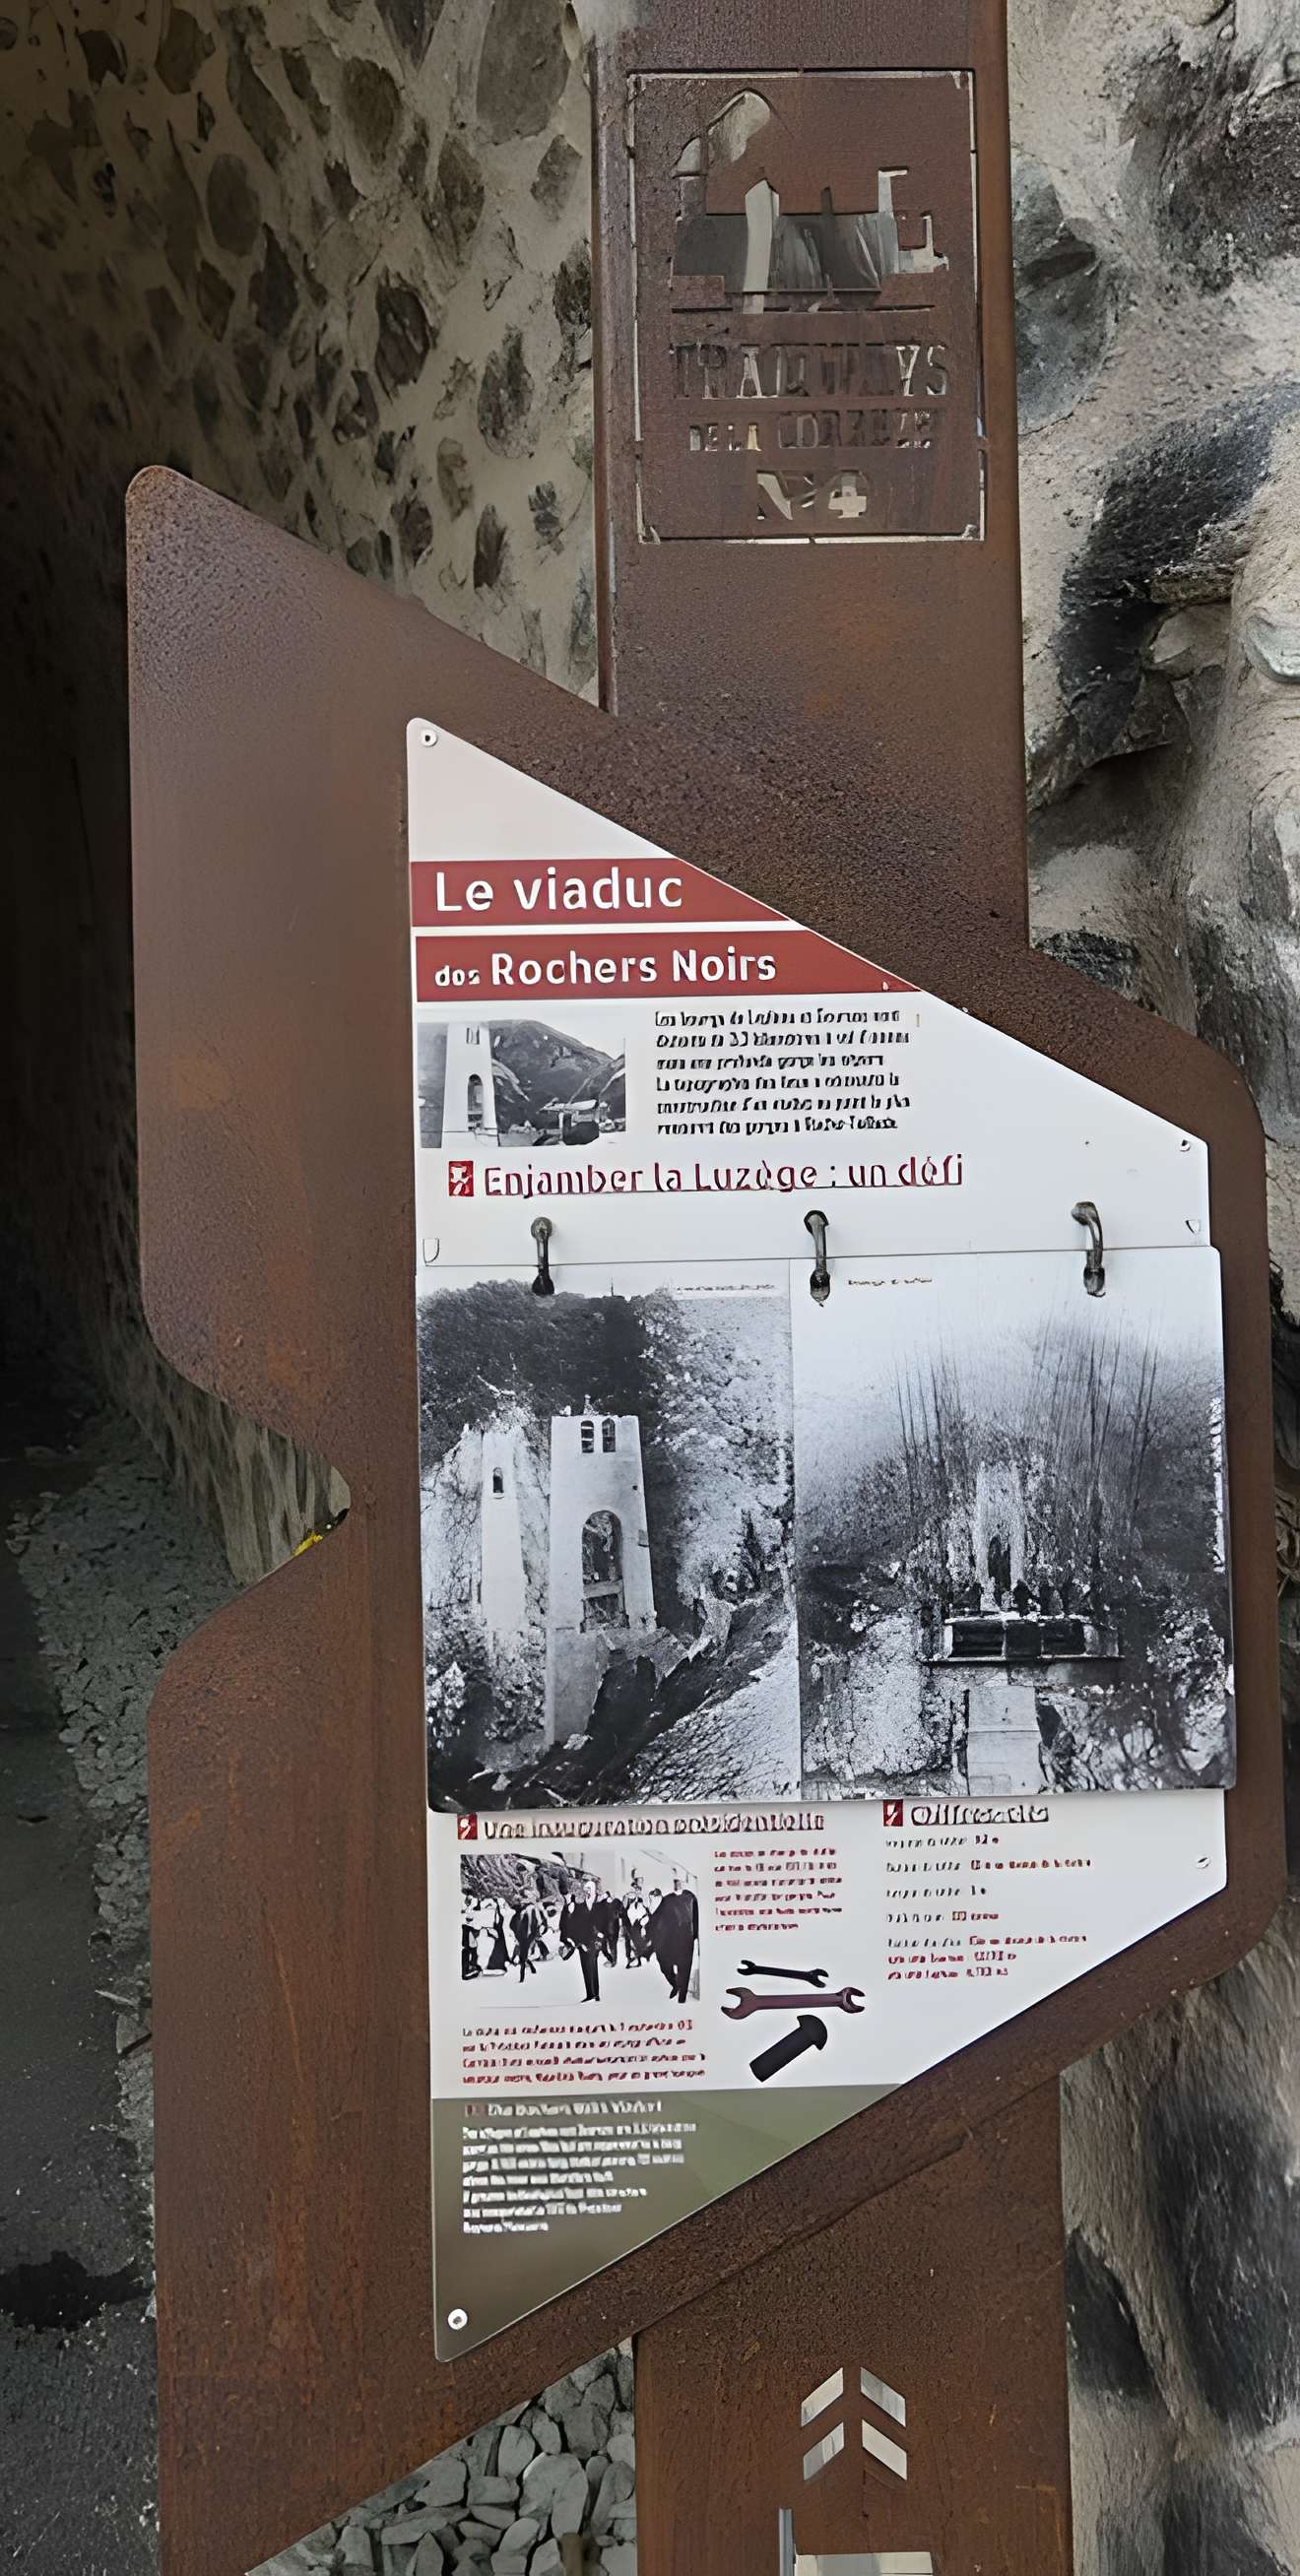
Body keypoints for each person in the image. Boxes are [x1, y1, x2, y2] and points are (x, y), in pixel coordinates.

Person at [649, 1869, 699, 2005]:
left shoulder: (691, 1897)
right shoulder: (667, 1899)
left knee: (685, 1968)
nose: (678, 1884)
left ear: (684, 1882)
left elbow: (697, 1919)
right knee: (665, 1966)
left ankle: (681, 1998)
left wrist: (695, 1937)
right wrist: (647, 1923)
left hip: (686, 1939)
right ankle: (675, 1985)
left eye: (680, 1881)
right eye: (675, 1881)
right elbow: (656, 1917)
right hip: (670, 1940)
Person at [559, 1877, 602, 2002]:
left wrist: (594, 1940)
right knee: (588, 1967)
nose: (586, 1892)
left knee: (591, 1967)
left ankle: (593, 1994)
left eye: (589, 1889)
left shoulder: (593, 1906)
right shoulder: (578, 1907)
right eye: (585, 1890)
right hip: (582, 1942)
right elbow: (572, 1926)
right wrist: (578, 1942)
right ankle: (593, 1993)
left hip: (591, 1941)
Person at [486, 1904, 509, 1975]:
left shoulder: (499, 1922)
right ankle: (496, 1965)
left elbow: (500, 1917)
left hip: (499, 1937)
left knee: (498, 1951)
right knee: (499, 1951)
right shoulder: (499, 1923)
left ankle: (495, 1965)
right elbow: (500, 1917)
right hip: (500, 1936)